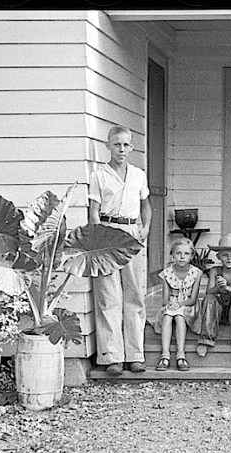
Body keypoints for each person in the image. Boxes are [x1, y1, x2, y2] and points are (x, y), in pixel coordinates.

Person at [89, 125, 151, 376]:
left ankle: (135, 355)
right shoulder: (99, 175)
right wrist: (98, 237)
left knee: (134, 295)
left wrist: (145, 228)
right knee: (109, 296)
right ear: (108, 146)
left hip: (132, 234)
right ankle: (112, 356)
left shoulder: (138, 174)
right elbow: (94, 210)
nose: (121, 149)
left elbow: (146, 205)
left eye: (126, 145)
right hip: (107, 233)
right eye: (117, 145)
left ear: (132, 147)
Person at [197, 233, 231, 359]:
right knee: (210, 299)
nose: (229, 258)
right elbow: (209, 292)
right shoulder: (214, 271)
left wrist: (226, 287)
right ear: (219, 256)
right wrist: (218, 287)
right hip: (218, 311)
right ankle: (206, 339)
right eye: (225, 255)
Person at [154, 237, 203, 371]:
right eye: (178, 253)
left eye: (186, 254)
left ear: (192, 256)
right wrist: (171, 305)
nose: (182, 257)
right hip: (171, 305)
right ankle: (165, 356)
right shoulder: (166, 273)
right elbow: (164, 299)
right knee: (168, 315)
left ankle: (181, 355)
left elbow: (193, 299)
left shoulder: (196, 273)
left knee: (179, 315)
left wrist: (179, 304)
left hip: (188, 307)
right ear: (172, 255)